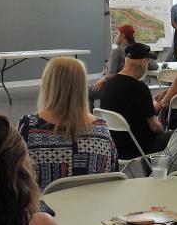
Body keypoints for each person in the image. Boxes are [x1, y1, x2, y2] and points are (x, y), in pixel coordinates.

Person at [19, 56, 118, 188]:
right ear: (82, 86)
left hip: (45, 207)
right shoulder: (101, 129)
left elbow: (14, 178)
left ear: (48, 84)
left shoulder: (28, 127)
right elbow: (113, 173)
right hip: (93, 205)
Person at [99, 42, 171, 160]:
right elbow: (154, 127)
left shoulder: (107, 84)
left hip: (114, 147)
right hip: (139, 147)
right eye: (148, 62)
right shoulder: (139, 89)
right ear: (143, 62)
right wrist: (163, 129)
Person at [89, 24, 158, 108]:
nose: (115, 37)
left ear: (122, 36)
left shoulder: (116, 52)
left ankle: (90, 119)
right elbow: (155, 66)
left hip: (113, 87)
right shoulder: (140, 51)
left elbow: (111, 75)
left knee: (85, 93)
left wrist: (103, 78)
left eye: (117, 34)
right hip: (134, 86)